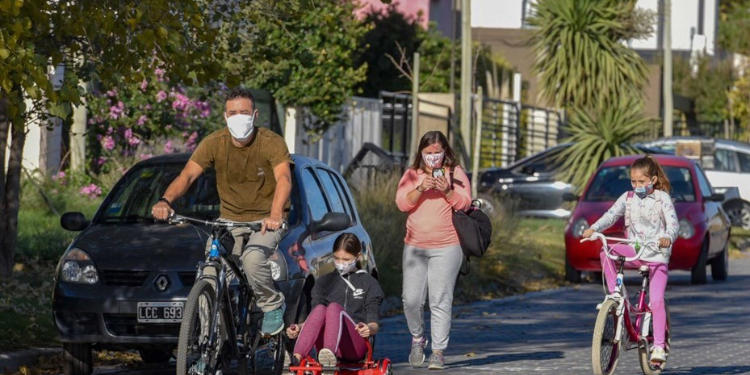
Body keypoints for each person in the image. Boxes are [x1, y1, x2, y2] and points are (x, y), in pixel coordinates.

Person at [151, 87, 292, 335]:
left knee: (252, 258)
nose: (239, 117)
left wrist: (276, 214)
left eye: (244, 112)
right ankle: (209, 340)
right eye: (233, 112)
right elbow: (187, 176)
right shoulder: (215, 143)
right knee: (209, 271)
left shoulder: (271, 142)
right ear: (225, 117)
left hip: (264, 221)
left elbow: (284, 179)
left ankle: (272, 306)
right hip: (229, 220)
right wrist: (165, 200)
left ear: (255, 114)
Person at [582, 155, 679, 365]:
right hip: (634, 250)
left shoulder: (663, 199)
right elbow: (611, 215)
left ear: (652, 180)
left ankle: (659, 346)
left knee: (656, 300)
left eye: (641, 182)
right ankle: (615, 295)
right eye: (633, 182)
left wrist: (667, 238)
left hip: (656, 255)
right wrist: (594, 229)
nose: (637, 186)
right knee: (606, 251)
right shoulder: (627, 198)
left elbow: (673, 225)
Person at [394, 130, 472, 370]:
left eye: (437, 152)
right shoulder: (412, 174)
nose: (433, 157)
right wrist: (420, 187)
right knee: (411, 299)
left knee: (440, 299)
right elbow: (401, 204)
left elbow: (466, 203)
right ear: (421, 153)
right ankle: (418, 338)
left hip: (447, 246)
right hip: (415, 246)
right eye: (428, 153)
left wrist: (447, 190)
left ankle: (438, 351)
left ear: (445, 151)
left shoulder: (455, 173)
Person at [285, 233, 384, 367]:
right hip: (324, 345)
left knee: (333, 308)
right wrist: (299, 328)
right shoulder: (324, 282)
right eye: (337, 258)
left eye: (346, 259)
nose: (341, 264)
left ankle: (329, 356)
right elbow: (315, 318)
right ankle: (296, 357)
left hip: (354, 345)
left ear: (358, 257)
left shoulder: (368, 283)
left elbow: (374, 322)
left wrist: (369, 329)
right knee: (320, 309)